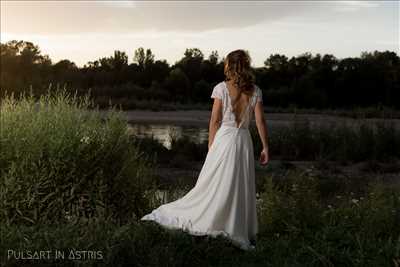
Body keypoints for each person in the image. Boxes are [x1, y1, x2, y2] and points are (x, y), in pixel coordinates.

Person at [141, 49, 270, 251]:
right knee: (238, 183)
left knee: (215, 183)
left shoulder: (221, 88)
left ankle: (214, 219)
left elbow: (215, 121)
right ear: (246, 65)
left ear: (229, 66)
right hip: (243, 141)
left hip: (224, 140)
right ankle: (235, 226)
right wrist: (265, 147)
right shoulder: (255, 91)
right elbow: (260, 121)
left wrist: (211, 146)